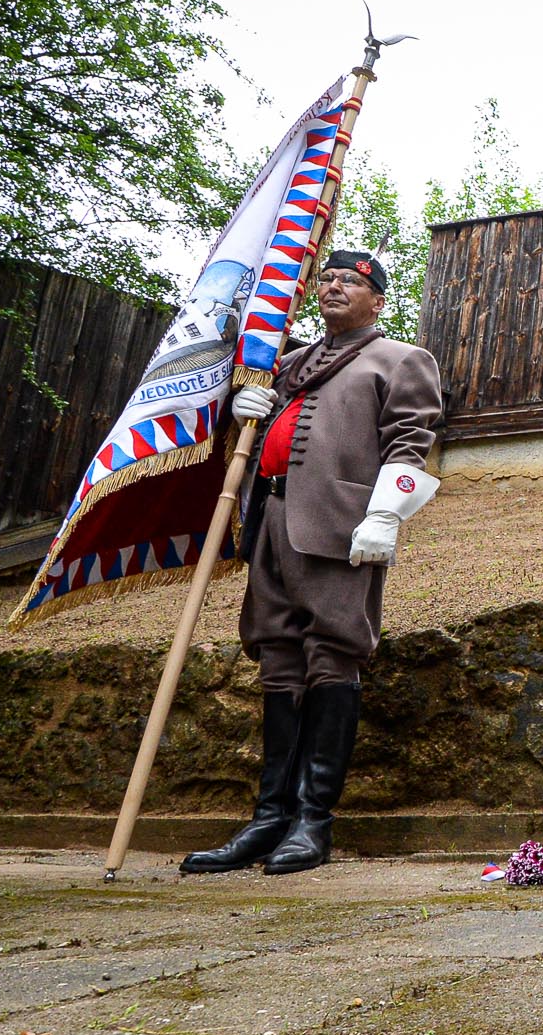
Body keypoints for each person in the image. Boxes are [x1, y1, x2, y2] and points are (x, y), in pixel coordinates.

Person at [180, 249, 443, 876]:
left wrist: (386, 516)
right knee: (277, 655)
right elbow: (264, 437)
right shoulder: (288, 363)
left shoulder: (402, 358)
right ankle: (269, 819)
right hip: (271, 521)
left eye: (350, 281)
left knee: (332, 653)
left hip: (342, 525)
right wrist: (245, 409)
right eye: (326, 278)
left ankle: (311, 822)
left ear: (378, 298)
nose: (333, 286)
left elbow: (412, 439)